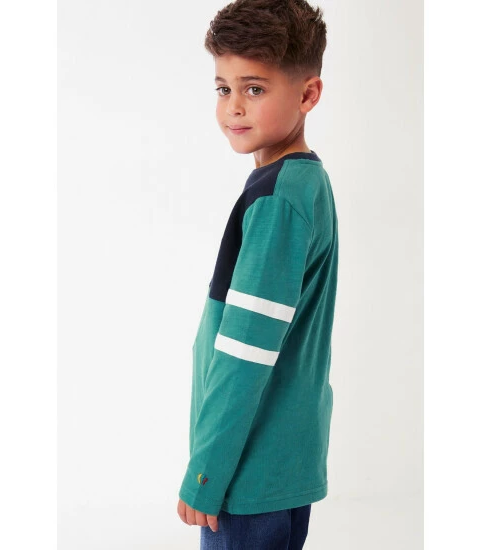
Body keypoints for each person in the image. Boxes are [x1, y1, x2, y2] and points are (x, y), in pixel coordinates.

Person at [176, 1, 338, 548]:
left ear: (308, 95)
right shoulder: (303, 183)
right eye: (223, 88)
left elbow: (246, 353)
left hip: (246, 474)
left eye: (255, 88)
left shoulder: (276, 202)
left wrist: (205, 473)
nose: (234, 107)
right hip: (278, 462)